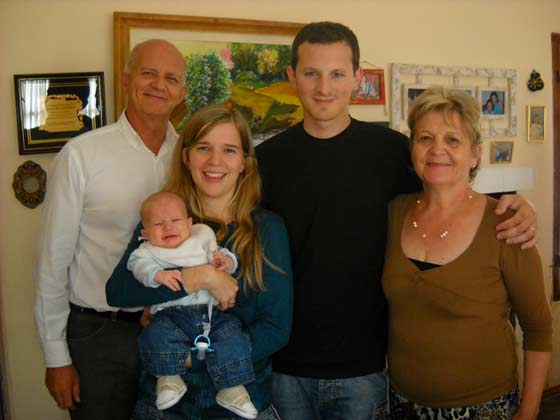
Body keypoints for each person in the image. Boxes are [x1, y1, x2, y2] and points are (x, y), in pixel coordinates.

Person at [255, 22, 539, 420]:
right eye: (311, 73)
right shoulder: (265, 161)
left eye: (337, 74)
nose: (324, 86)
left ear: (357, 78)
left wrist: (515, 205)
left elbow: (447, 188)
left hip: (367, 369)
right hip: (283, 366)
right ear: (291, 77)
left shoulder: (391, 151)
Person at [106, 104, 293, 420]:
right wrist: (200, 277)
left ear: (245, 163)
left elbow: (276, 329)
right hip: (165, 408)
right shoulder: (162, 222)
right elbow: (119, 292)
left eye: (229, 150)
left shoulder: (267, 229)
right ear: (186, 156)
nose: (215, 161)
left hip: (242, 406)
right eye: (204, 148)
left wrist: (195, 357)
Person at [34, 39, 187, 419]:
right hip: (98, 336)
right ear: (125, 79)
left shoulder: (190, 156)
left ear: (182, 93)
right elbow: (52, 262)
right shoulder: (81, 155)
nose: (158, 84)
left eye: (170, 78)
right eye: (148, 73)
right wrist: (56, 357)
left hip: (173, 329)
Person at [382, 87, 552, 419]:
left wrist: (529, 410)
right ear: (412, 148)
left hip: (485, 407)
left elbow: (538, 327)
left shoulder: (506, 224)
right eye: (425, 138)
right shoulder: (394, 212)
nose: (437, 150)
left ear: (475, 154)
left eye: (453, 140)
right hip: (402, 404)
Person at [128, 191, 257, 418]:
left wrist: (226, 261)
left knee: (232, 335)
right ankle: (169, 380)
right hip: (171, 316)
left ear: (190, 224)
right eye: (158, 224)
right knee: (156, 335)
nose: (168, 227)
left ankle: (232, 389)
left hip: (212, 315)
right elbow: (137, 266)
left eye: (175, 221)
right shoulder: (147, 250)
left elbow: (221, 253)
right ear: (145, 233)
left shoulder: (201, 238)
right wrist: (157, 275)